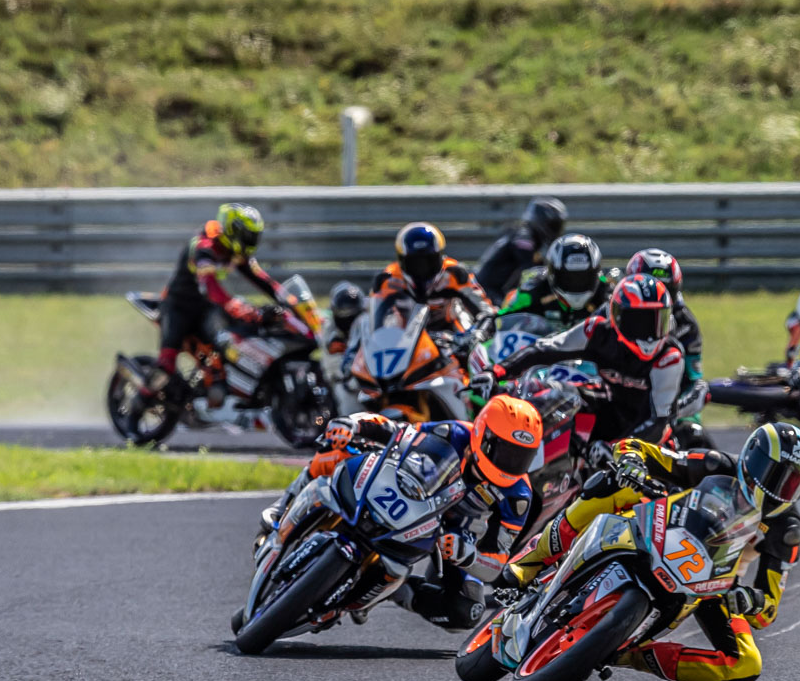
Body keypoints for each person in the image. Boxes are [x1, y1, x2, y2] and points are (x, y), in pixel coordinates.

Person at [503, 422, 800, 681]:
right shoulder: (715, 464)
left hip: (715, 584)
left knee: (745, 666)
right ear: (751, 459)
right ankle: (529, 563)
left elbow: (768, 609)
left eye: (791, 483)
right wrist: (631, 463)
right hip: (663, 527)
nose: (779, 490)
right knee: (613, 484)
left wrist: (749, 601)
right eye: (774, 475)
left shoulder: (787, 530)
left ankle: (630, 653)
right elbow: (638, 449)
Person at [252, 394, 542, 630]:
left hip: (452, 535)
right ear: (482, 434)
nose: (511, 463)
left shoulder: (518, 496)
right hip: (411, 495)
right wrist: (353, 425)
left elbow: (498, 560)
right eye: (505, 451)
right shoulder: (454, 433)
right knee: (338, 448)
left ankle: (392, 591)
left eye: (521, 456)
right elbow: (399, 432)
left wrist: (468, 555)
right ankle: (282, 508)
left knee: (466, 612)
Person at [489, 272, 684, 446]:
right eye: (639, 322)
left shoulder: (669, 358)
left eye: (656, 321)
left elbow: (658, 422)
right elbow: (546, 349)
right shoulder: (597, 332)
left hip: (648, 439)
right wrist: (497, 371)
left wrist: (616, 449)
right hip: (609, 412)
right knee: (553, 392)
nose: (648, 334)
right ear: (618, 318)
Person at [149, 204, 304, 399]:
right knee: (166, 364)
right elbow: (209, 285)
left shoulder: (235, 252)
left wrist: (290, 300)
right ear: (233, 231)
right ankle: (144, 396)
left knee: (225, 349)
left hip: (206, 309)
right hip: (179, 306)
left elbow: (261, 280)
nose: (251, 241)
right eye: (247, 236)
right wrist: (233, 305)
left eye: (254, 236)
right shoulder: (204, 247)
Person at [370, 222, 498, 374]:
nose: (422, 268)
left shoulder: (455, 273)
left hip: (453, 334)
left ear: (440, 257)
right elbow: (374, 322)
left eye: (429, 261)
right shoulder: (388, 279)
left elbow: (486, 310)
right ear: (402, 261)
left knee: (477, 356)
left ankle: (481, 382)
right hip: (405, 338)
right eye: (415, 263)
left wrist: (476, 334)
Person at [497, 232, 616, 326]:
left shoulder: (608, 293)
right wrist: (490, 321)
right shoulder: (534, 288)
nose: (576, 283)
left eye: (583, 277)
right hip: (542, 347)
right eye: (569, 278)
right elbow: (503, 318)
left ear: (596, 275)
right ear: (553, 275)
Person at [624, 248, 703, 383]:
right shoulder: (614, 312)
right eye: (648, 291)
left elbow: (693, 379)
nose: (657, 300)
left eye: (666, 290)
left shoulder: (686, 324)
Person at [474, 196, 568, 301]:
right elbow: (529, 271)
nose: (556, 229)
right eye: (554, 225)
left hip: (492, 289)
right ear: (542, 220)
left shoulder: (522, 233)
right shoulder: (524, 236)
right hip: (488, 291)